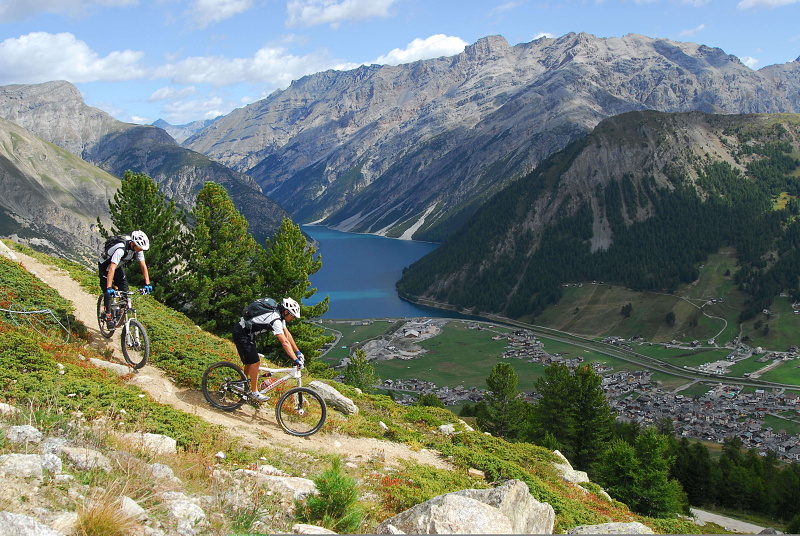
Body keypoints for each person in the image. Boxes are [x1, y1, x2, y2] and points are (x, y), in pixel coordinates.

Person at [232, 297, 304, 402]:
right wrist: (295, 360)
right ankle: (254, 392)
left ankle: (242, 382)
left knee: (250, 361)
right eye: (292, 316)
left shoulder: (279, 316)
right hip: (241, 334)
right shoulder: (275, 320)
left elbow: (287, 335)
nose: (293, 319)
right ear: (286, 312)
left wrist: (298, 352)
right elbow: (284, 342)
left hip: (247, 334)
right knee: (255, 362)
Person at [98, 230, 153, 328]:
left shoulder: (137, 250)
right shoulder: (121, 249)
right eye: (140, 248)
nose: (141, 250)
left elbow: (143, 266)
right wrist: (109, 287)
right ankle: (108, 315)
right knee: (107, 292)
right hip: (106, 266)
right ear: (133, 244)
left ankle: (120, 312)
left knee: (125, 292)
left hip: (118, 267)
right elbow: (111, 268)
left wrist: (147, 284)